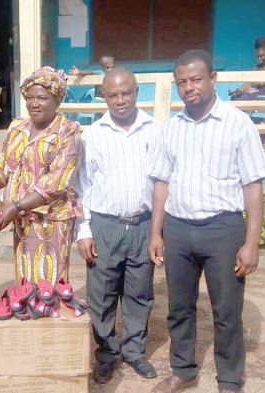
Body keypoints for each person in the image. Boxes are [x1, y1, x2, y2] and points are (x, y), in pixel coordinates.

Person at [148, 50, 265, 393]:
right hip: (178, 229)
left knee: (227, 311)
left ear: (213, 79)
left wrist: (251, 242)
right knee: (179, 307)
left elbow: (253, 186)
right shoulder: (171, 128)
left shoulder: (237, 124)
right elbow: (161, 183)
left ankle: (230, 379)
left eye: (196, 79)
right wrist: (155, 231)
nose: (189, 87)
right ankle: (183, 370)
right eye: (181, 82)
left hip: (223, 229)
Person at [75, 67, 162, 384]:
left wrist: (158, 230)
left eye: (126, 92)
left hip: (142, 225)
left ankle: (135, 353)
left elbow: (162, 183)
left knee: (140, 294)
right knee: (101, 295)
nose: (120, 100)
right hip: (104, 226)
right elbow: (81, 185)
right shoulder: (92, 135)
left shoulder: (155, 130)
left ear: (137, 91)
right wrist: (83, 230)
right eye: (113, 94)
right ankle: (108, 353)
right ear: (104, 96)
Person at [0, 66, 82, 285]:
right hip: (22, 220)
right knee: (25, 280)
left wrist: (16, 207)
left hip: (51, 219)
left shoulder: (68, 130)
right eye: (29, 97)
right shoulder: (16, 128)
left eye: (42, 98)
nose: (34, 103)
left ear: (56, 100)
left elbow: (57, 182)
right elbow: (3, 169)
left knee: (49, 282)